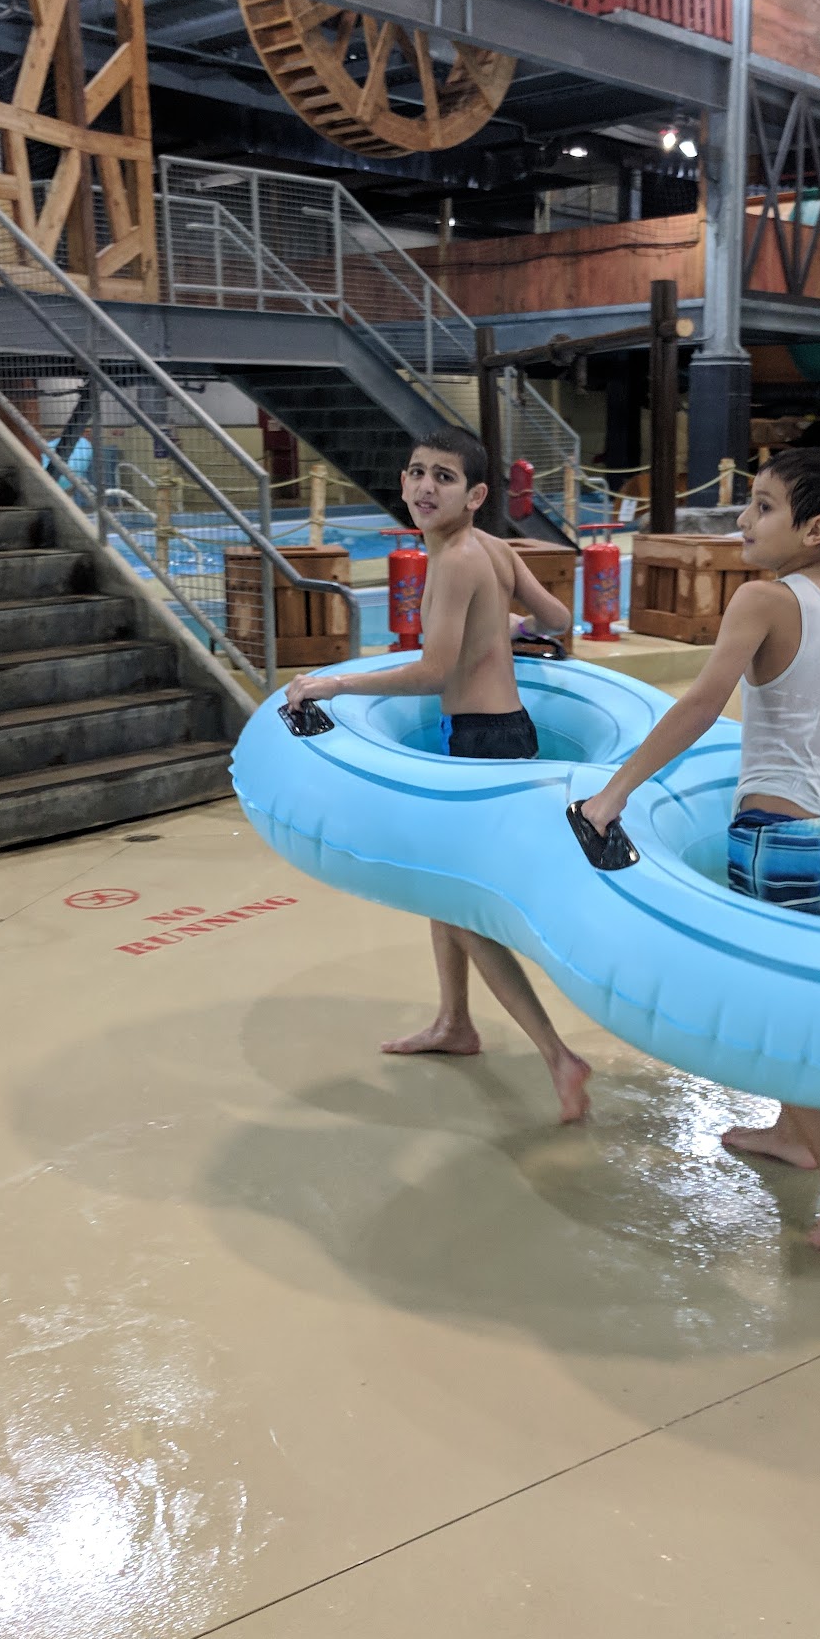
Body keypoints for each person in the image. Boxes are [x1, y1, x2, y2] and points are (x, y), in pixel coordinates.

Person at [579, 447, 820, 1246]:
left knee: (778, 1016)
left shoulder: (763, 600)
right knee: (807, 996)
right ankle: (793, 1134)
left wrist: (615, 794)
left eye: (763, 506)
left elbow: (700, 705)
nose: (744, 520)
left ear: (813, 529)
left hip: (782, 839)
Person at [286, 429, 592, 1123]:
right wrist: (504, 630)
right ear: (402, 481)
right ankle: (455, 1021)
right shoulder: (496, 549)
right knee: (443, 892)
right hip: (508, 733)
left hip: (481, 744)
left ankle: (558, 1056)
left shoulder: (455, 560)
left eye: (445, 477)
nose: (426, 487)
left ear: (475, 494)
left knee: (466, 912)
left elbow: (432, 673)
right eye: (417, 473)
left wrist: (335, 684)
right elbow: (559, 618)